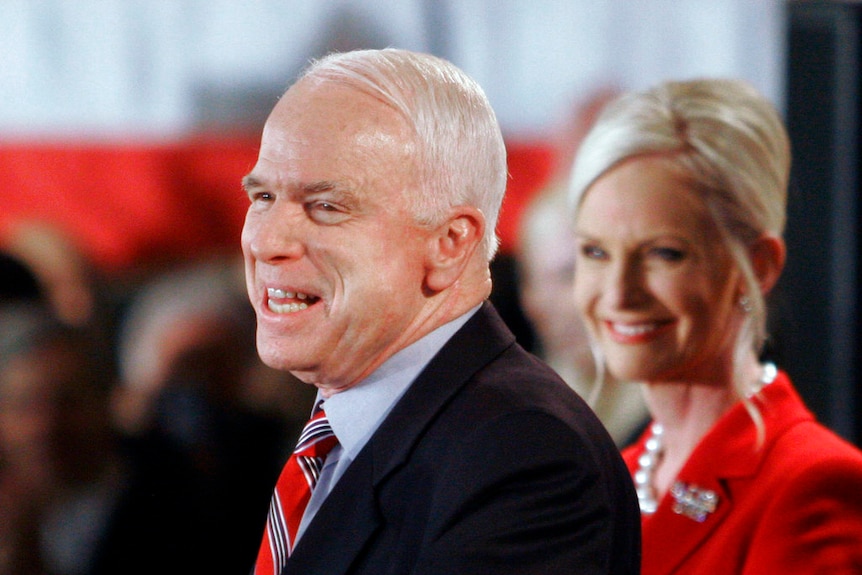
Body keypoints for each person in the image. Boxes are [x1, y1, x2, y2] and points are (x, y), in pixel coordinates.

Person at [240, 48, 640, 574]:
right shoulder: (343, 429)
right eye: (263, 196)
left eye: (326, 206)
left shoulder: (524, 455)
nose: (268, 241)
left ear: (450, 243)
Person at [568, 77, 862, 573]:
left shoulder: (812, 482)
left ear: (760, 266)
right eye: (595, 252)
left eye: (664, 253)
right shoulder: (614, 476)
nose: (619, 293)